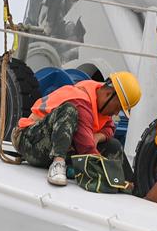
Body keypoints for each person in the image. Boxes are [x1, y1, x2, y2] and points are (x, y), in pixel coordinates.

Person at [11, 72, 142, 186]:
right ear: (109, 94)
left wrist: (97, 137)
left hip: (50, 144)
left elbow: (109, 127)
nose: (115, 113)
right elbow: (86, 148)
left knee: (113, 145)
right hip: (29, 139)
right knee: (69, 110)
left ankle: (132, 186)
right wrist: (106, 175)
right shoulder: (80, 100)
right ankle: (58, 163)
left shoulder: (98, 99)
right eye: (118, 107)